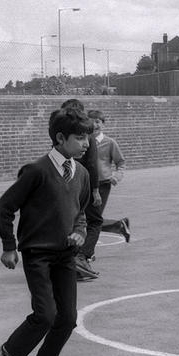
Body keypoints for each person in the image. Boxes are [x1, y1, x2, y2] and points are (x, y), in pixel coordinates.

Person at [0, 108, 93, 356]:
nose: (86, 143)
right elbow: (6, 206)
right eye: (80, 138)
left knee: (68, 318)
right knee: (46, 314)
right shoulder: (36, 171)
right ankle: (8, 353)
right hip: (38, 254)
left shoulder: (82, 173)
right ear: (61, 138)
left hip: (65, 256)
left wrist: (80, 232)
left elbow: (81, 212)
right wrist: (9, 247)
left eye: (87, 138)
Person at [79, 110, 130, 281]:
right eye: (92, 121)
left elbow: (121, 162)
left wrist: (116, 177)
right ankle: (118, 225)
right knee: (90, 219)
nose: (95, 124)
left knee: (93, 219)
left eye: (98, 121)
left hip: (102, 185)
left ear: (103, 124)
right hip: (85, 184)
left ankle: (85, 255)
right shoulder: (84, 141)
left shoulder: (109, 142)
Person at [56, 100, 102, 281]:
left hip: (64, 183)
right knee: (95, 221)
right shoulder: (87, 136)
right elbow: (92, 164)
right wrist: (96, 190)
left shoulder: (61, 135)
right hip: (82, 184)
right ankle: (81, 257)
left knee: (70, 220)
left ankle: (70, 260)